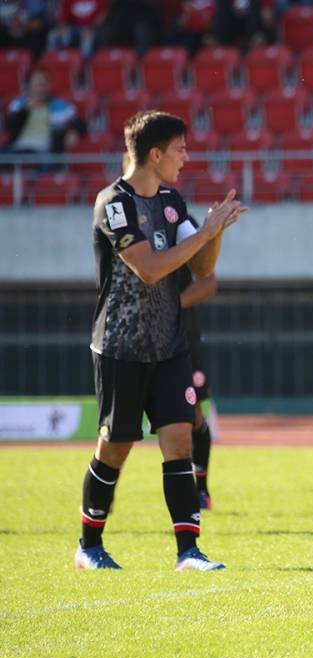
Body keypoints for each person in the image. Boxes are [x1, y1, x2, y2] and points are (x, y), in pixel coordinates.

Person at [77, 110, 247, 571]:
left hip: (169, 346)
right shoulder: (113, 203)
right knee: (115, 448)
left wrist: (216, 234)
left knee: (179, 440)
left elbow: (203, 269)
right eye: (179, 150)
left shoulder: (172, 200)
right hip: (120, 347)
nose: (186, 158)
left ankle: (188, 552)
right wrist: (206, 234)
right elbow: (149, 268)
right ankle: (89, 547)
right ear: (155, 154)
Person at [177, 251, 218, 511]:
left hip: (182, 337)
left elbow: (207, 281)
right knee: (123, 418)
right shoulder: (122, 218)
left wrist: (168, 307)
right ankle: (105, 491)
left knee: (195, 415)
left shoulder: (180, 222)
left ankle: (201, 489)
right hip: (132, 340)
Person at [1, 70, 86, 172]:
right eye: (37, 85)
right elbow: (9, 125)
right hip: (18, 147)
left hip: (44, 150)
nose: (40, 89)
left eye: (43, 85)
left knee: (49, 165)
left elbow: (82, 125)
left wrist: (74, 132)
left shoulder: (60, 106)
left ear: (48, 86)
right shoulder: (18, 104)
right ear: (30, 86)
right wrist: (25, 110)